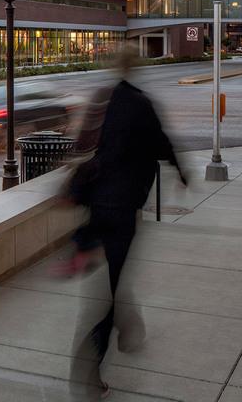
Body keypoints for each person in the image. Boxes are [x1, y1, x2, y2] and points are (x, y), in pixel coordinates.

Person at [65, 50, 185, 398]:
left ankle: (128, 323)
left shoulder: (104, 98)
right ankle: (88, 368)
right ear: (137, 67)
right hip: (122, 207)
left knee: (114, 275)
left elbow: (83, 144)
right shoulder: (141, 104)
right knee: (111, 289)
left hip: (97, 203)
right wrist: (181, 171)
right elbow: (161, 142)